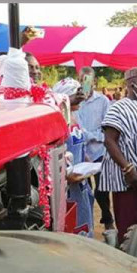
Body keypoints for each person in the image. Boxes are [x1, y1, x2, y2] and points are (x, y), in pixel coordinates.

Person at [98, 67, 137, 245]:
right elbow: (109, 141)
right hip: (127, 179)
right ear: (132, 85)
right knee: (128, 226)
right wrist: (128, 168)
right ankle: (127, 262)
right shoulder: (118, 108)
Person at [52, 78, 95, 237]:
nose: (80, 97)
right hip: (65, 187)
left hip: (80, 182)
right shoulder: (58, 120)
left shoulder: (74, 117)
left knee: (84, 219)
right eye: (75, 93)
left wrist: (86, 158)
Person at [75, 67, 115, 234]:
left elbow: (107, 130)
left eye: (89, 81)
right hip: (80, 153)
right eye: (83, 80)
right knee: (84, 191)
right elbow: (75, 128)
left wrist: (89, 135)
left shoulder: (103, 101)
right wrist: (87, 135)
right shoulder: (75, 101)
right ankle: (87, 223)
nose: (86, 84)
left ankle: (107, 220)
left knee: (102, 190)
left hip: (99, 153)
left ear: (95, 82)